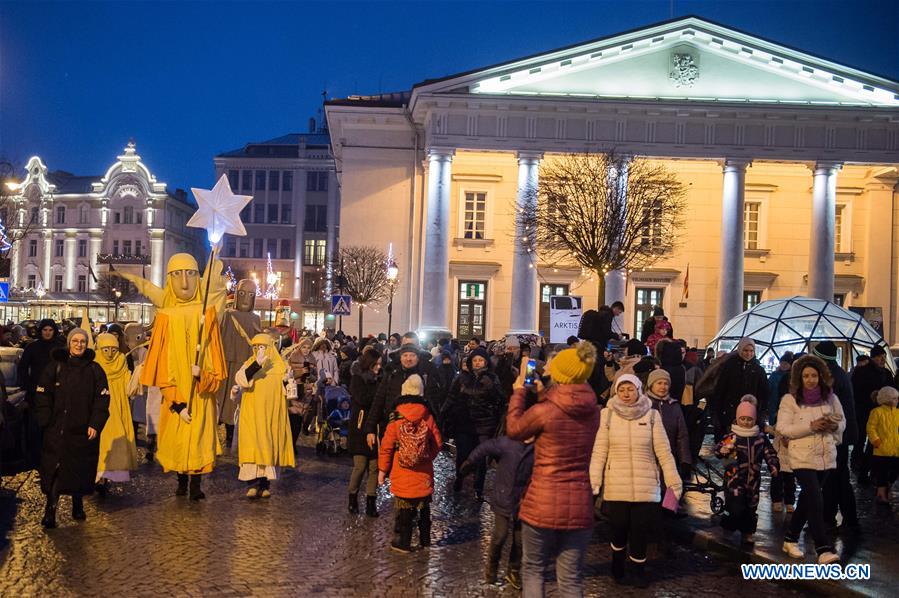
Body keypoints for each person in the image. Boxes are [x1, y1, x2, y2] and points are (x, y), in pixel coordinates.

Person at [130, 253, 228, 500]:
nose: (184, 283)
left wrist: (203, 376)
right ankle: (181, 481)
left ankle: (196, 484)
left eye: (191, 274)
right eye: (177, 275)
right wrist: (176, 402)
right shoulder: (164, 317)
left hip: (201, 395)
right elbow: (161, 367)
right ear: (169, 279)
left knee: (198, 439)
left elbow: (217, 365)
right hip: (176, 395)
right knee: (178, 438)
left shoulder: (208, 315)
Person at [506, 342, 600, 597]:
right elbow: (564, 415)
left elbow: (514, 429)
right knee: (571, 579)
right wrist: (543, 395)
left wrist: (519, 393)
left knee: (534, 569)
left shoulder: (545, 410)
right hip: (579, 503)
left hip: (542, 502)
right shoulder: (593, 411)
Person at [589, 374, 682, 588]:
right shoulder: (607, 415)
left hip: (646, 484)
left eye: (630, 389)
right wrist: (594, 480)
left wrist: (674, 481)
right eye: (622, 390)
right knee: (619, 527)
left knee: (640, 530)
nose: (626, 394)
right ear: (616, 391)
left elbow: (664, 451)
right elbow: (600, 450)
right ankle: (617, 565)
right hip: (616, 483)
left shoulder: (652, 415)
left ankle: (638, 571)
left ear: (639, 390)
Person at [35, 328, 110, 528]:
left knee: (80, 469)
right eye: (75, 341)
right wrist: (45, 420)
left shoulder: (94, 370)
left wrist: (95, 424)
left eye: (82, 341)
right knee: (55, 470)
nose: (79, 345)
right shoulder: (55, 367)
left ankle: (78, 505)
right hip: (57, 430)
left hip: (83, 431)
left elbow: (102, 400)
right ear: (69, 343)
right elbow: (42, 394)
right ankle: (50, 509)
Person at [778, 355, 844, 564]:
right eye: (806, 376)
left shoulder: (831, 398)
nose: (810, 380)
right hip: (801, 457)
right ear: (799, 377)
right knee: (815, 499)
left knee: (808, 500)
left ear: (821, 376)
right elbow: (783, 428)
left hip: (825, 457)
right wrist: (811, 427)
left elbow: (842, 421)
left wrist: (834, 426)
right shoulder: (790, 400)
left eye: (814, 375)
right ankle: (823, 549)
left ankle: (790, 539)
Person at [459, 432, 535, 589]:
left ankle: (513, 570)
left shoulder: (538, 448)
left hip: (525, 499)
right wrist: (470, 461)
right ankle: (491, 568)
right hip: (504, 496)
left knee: (520, 539)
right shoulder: (509, 443)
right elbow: (486, 446)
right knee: (501, 535)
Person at [377, 374, 442, 553]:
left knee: (404, 507)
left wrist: (382, 470)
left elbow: (386, 447)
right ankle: (425, 540)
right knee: (424, 507)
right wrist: (426, 457)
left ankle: (403, 542)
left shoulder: (396, 417)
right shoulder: (427, 415)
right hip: (423, 471)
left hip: (401, 469)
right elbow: (438, 443)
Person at [234, 334, 296, 498]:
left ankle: (265, 484)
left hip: (271, 415)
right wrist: (256, 365)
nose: (258, 350)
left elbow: (288, 392)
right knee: (252, 447)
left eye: (262, 347)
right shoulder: (249, 363)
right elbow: (240, 379)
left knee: (268, 446)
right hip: (252, 414)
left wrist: (287, 380)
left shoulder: (280, 366)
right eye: (255, 347)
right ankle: (252, 484)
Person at [715, 396, 779, 544]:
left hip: (753, 480)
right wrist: (723, 450)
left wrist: (773, 465)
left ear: (755, 420)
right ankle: (728, 529)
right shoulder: (732, 437)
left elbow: (769, 453)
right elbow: (718, 449)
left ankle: (747, 532)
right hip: (734, 480)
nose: (745, 422)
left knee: (751, 506)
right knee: (734, 505)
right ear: (737, 419)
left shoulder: (760, 438)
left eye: (749, 419)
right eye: (742, 419)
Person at [444, 347, 504, 500]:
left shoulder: (492, 378)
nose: (477, 363)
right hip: (464, 423)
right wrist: (444, 414)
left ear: (486, 362)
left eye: (480, 360)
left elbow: (499, 399)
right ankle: (460, 477)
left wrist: (491, 388)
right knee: (463, 454)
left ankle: (478, 488)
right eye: (475, 360)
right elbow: (452, 397)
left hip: (484, 425)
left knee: (481, 458)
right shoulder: (462, 378)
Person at [813, 342, 859, 531]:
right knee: (837, 476)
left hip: (836, 434)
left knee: (834, 477)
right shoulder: (838, 373)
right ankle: (841, 518)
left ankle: (833, 519)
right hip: (842, 434)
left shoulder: (829, 377)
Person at [219, 279, 262, 449]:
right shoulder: (227, 315)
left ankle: (236, 430)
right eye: (242, 293)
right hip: (228, 363)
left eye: (250, 294)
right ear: (237, 294)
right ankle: (223, 428)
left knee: (240, 399)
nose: (245, 299)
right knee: (225, 397)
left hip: (245, 366)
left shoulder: (256, 318)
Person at [93, 333, 139, 493]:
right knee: (100, 442)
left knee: (114, 441)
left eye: (113, 349)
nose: (110, 353)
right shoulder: (95, 361)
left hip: (117, 408)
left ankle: (107, 476)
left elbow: (128, 385)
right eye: (106, 349)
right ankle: (98, 475)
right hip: (100, 407)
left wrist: (136, 376)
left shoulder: (121, 361)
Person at [17, 318, 65, 467]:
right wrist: (28, 386)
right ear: (40, 331)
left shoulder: (59, 348)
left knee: (54, 427)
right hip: (35, 393)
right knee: (35, 428)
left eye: (50, 330)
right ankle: (35, 459)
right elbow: (23, 368)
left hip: (55, 393)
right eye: (45, 330)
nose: (47, 333)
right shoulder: (32, 347)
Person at [709, 338, 769, 441]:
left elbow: (764, 393)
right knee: (730, 442)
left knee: (747, 442)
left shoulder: (759, 370)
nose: (748, 354)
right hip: (730, 414)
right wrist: (717, 412)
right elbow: (720, 390)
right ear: (740, 350)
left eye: (751, 351)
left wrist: (761, 412)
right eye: (746, 350)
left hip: (751, 414)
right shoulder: (729, 367)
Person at [850, 345, 894, 484]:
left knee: (874, 442)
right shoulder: (862, 372)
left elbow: (891, 390)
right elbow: (856, 391)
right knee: (861, 437)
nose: (883, 359)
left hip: (881, 413)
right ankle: (858, 462)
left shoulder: (886, 373)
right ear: (873, 357)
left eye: (884, 357)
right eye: (879, 357)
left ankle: (869, 469)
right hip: (864, 411)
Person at [348, 349, 382, 516]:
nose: (379, 367)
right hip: (360, 427)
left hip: (375, 426)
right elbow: (363, 399)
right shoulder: (357, 378)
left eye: (380, 364)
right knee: (360, 466)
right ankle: (352, 498)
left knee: (374, 467)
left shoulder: (380, 380)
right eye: (376, 364)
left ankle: (371, 502)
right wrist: (378, 393)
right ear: (369, 363)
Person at [645, 369, 691, 477]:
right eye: (659, 383)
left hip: (668, 458)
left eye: (666, 383)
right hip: (646, 459)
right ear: (651, 385)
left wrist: (685, 460)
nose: (663, 387)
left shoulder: (674, 406)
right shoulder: (643, 405)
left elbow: (682, 436)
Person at [867, 386, 899, 507]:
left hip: (895, 448)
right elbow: (871, 427)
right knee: (882, 473)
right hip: (881, 449)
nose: (897, 400)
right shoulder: (877, 412)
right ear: (888, 399)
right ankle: (881, 494)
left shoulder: (897, 413)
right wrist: (876, 441)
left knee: (895, 470)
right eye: (895, 398)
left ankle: (887, 486)